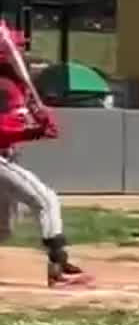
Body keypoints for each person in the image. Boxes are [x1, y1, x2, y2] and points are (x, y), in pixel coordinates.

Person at [0, 41, 88, 288]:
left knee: (3, 229)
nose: (33, 69)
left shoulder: (15, 90)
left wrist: (36, 125)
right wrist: (34, 131)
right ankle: (58, 265)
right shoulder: (4, 88)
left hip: (7, 155)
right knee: (46, 200)